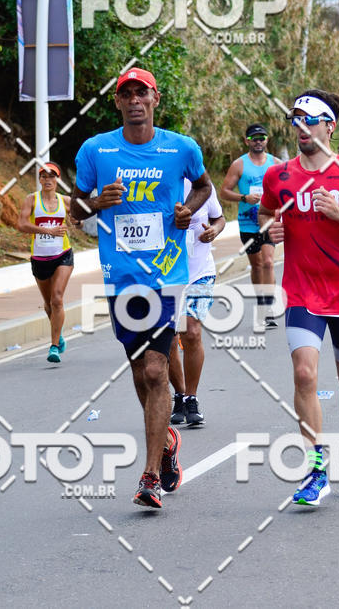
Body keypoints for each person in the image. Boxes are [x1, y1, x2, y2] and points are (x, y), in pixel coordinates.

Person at [70, 67, 212, 510]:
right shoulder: (96, 150)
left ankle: (149, 476)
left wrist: (187, 210)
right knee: (139, 371)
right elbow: (74, 209)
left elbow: (205, 186)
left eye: (142, 93)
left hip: (167, 274)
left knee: (155, 370)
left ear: (155, 98)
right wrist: (95, 202)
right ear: (117, 102)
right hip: (121, 277)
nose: (134, 100)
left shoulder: (180, 148)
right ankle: (165, 442)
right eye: (126, 94)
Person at [260, 89, 339, 507]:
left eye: (310, 119)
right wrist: (270, 230)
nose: (301, 127)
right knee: (303, 374)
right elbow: (266, 212)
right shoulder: (278, 176)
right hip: (300, 289)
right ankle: (317, 470)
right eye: (296, 119)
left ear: (330, 126)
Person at [169, 179, 225, 427]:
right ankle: (179, 394)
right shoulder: (157, 184)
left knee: (191, 332)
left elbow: (219, 218)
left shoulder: (202, 186)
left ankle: (191, 398)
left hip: (200, 272)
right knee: (169, 337)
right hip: (166, 274)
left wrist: (214, 230)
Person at [220, 123, 280, 329]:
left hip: (270, 220)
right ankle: (261, 300)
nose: (258, 141)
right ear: (247, 141)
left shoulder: (276, 163)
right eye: (254, 138)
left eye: (262, 137)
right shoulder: (239, 165)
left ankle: (268, 307)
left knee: (268, 262)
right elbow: (224, 191)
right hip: (248, 222)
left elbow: (285, 191)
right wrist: (244, 197)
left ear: (267, 140)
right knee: (256, 264)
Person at [17, 162, 76, 364]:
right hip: (40, 257)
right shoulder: (31, 200)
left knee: (57, 299)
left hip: (63, 254)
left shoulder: (66, 200)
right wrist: (48, 231)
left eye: (52, 176)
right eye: (44, 176)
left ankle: (53, 347)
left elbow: (78, 218)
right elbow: (22, 224)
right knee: (49, 304)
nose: (48, 179)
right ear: (40, 179)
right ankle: (57, 334)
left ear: (57, 179)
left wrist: (76, 221)